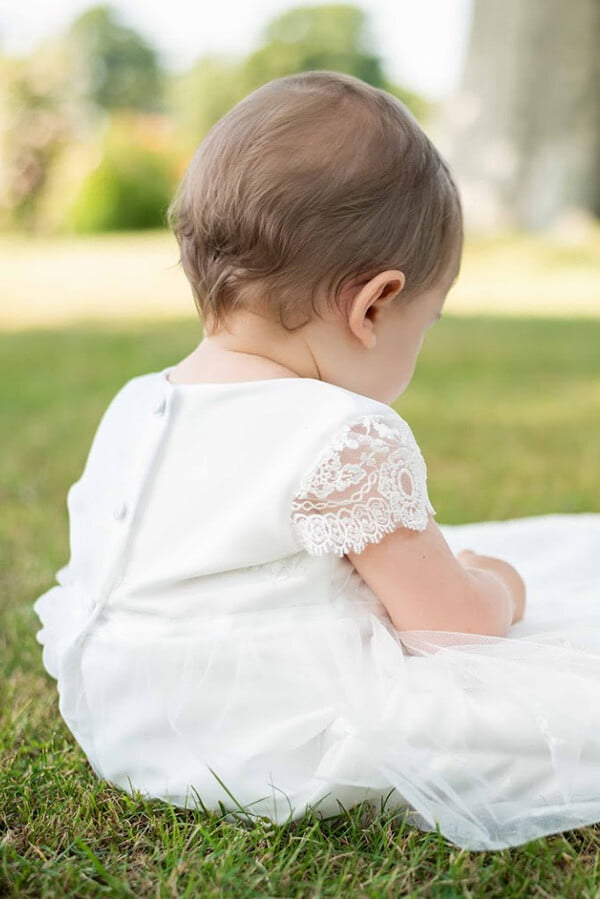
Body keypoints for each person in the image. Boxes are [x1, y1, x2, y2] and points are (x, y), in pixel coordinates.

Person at [32, 70, 600, 852]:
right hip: (267, 735)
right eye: (425, 323)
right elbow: (454, 629)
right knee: (552, 706)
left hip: (126, 710)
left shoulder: (138, 400)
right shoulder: (345, 432)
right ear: (374, 305)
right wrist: (498, 585)